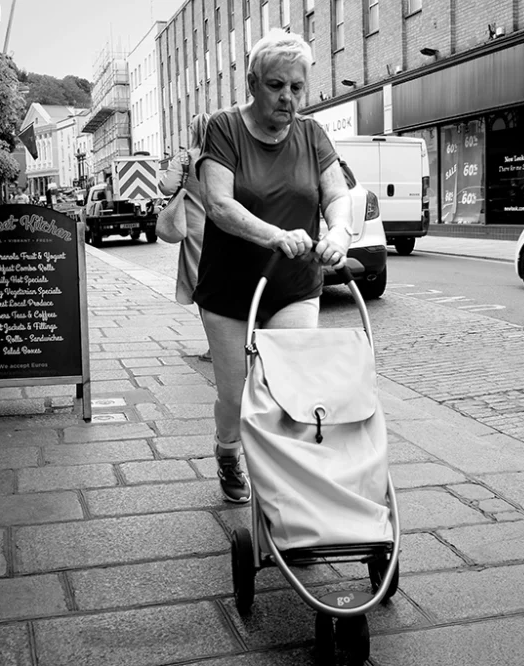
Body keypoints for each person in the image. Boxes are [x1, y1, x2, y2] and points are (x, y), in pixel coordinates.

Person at [195, 28, 352, 503]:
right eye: (276, 85)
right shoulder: (223, 128)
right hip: (230, 289)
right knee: (236, 394)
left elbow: (336, 196)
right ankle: (228, 451)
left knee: (293, 387)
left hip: (293, 284)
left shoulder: (312, 134)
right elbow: (219, 205)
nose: (287, 97)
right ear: (252, 83)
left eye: (297, 88)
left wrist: (340, 232)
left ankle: (289, 493)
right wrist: (276, 235)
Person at [159, 114, 212, 361]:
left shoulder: (185, 156)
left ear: (192, 130)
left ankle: (216, 346)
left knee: (201, 283)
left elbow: (168, 187)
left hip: (197, 229)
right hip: (228, 227)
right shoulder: (226, 155)